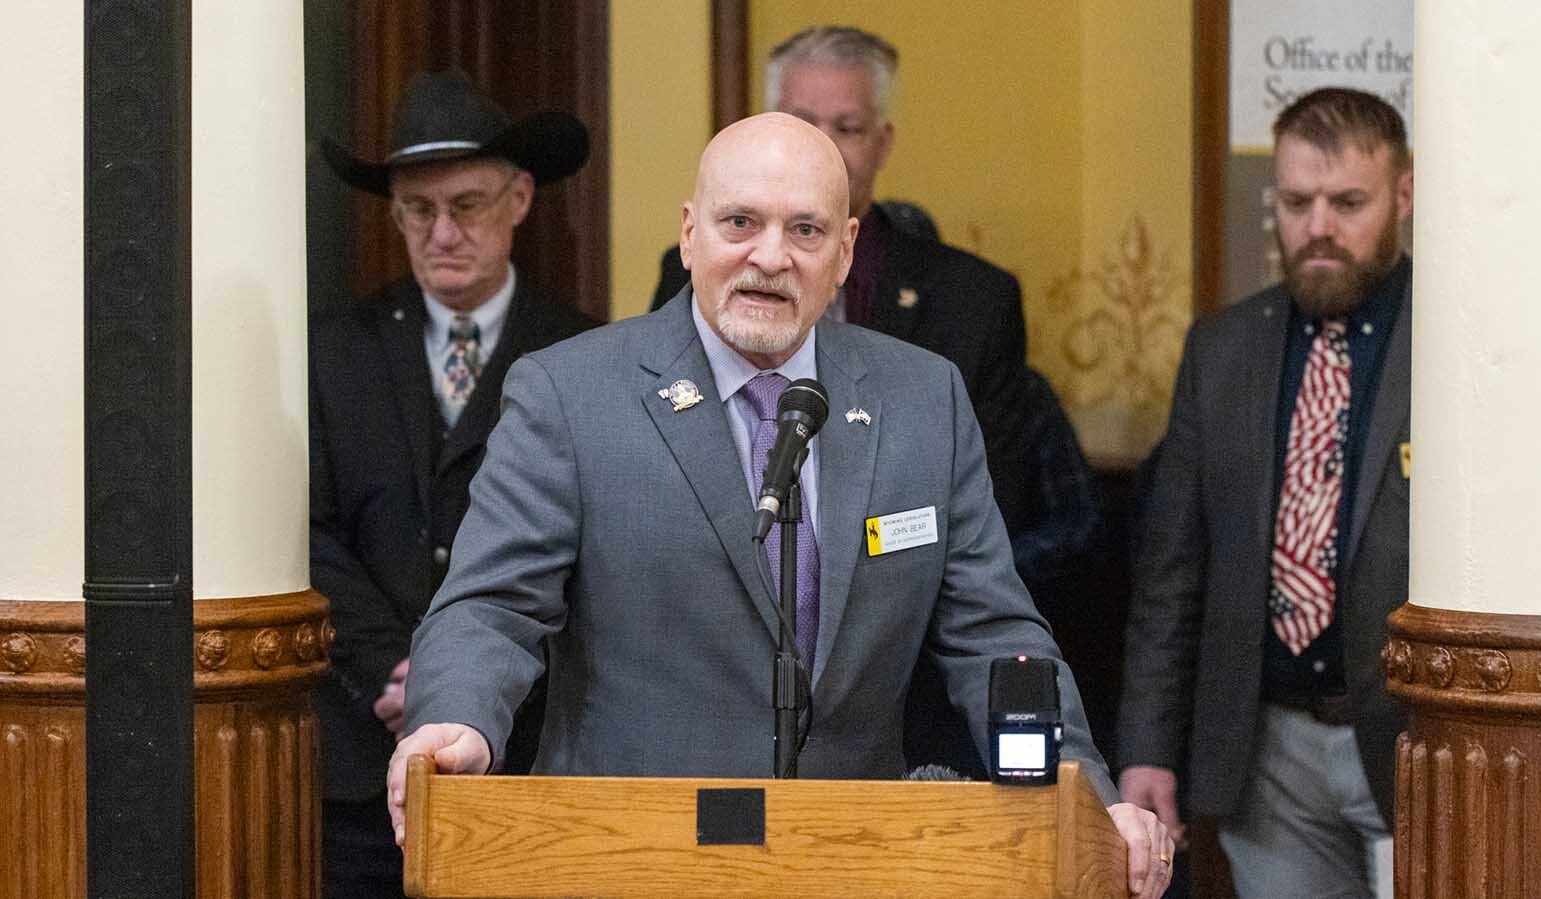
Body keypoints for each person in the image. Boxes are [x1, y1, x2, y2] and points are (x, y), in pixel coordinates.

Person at [387, 112, 1174, 899]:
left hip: (855, 862)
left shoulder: (923, 398)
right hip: (629, 859)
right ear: (690, 234)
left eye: (805, 229)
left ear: (845, 251)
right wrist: (456, 717)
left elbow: (994, 634)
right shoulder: (571, 392)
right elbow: (491, 604)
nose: (770, 255)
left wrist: (1091, 799)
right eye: (740, 223)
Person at [650, 24, 1080, 778]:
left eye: (844, 127)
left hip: (893, 723)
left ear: (881, 141)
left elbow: (981, 575)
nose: (770, 258)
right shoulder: (642, 331)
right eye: (803, 121)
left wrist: (1082, 784)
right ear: (693, 237)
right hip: (687, 757)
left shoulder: (963, 316)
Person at [1117, 87, 1414, 898]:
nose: (1318, 226)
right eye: (1296, 201)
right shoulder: (1223, 347)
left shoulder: (1451, 338)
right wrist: (1148, 743)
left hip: (1416, 742)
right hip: (1269, 750)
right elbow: (1173, 568)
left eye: (1348, 202)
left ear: (1404, 195)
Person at [310, 69, 596, 899]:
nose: (441, 232)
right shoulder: (338, 349)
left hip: (526, 743)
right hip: (363, 758)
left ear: (519, 200)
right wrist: (397, 673)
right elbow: (310, 532)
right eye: (416, 211)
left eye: (466, 206)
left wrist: (467, 688)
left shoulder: (581, 353)